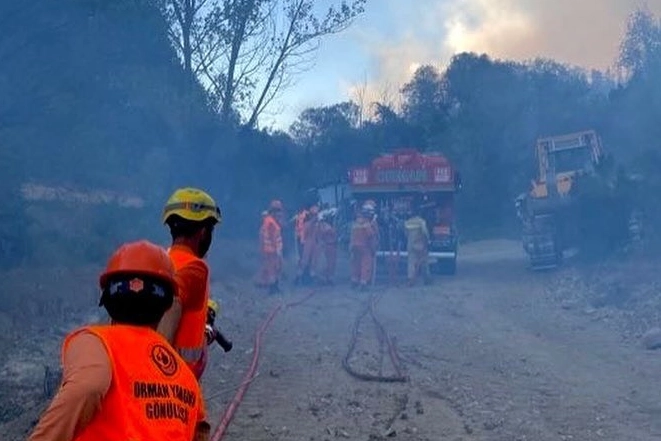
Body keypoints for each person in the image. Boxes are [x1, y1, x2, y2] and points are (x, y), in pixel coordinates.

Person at [28, 241, 209, 441]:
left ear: (107, 299)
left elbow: (87, 388)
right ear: (165, 305)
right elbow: (200, 432)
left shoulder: (96, 342)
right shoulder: (186, 378)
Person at [158, 187, 221, 380]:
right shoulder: (195, 268)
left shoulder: (163, 259)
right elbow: (174, 302)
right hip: (177, 384)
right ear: (203, 232)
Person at [259, 199, 284, 294]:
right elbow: (273, 237)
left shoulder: (270, 220)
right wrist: (278, 251)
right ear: (273, 211)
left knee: (275, 268)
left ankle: (274, 287)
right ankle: (273, 288)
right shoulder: (271, 222)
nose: (280, 213)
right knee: (273, 269)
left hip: (270, 250)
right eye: (278, 211)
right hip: (272, 250)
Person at [349, 208, 378, 291]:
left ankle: (354, 280)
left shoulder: (355, 223)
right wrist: (373, 248)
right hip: (365, 247)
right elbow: (371, 236)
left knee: (356, 264)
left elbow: (351, 236)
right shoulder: (367, 224)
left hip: (354, 246)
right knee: (366, 264)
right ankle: (363, 283)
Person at [404, 209, 431, 286]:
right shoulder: (421, 221)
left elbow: (406, 234)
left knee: (411, 262)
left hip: (410, 245)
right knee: (424, 261)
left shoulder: (407, 222)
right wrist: (427, 241)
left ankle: (410, 279)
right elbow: (425, 232)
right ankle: (426, 278)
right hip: (420, 244)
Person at [295, 204, 319, 285]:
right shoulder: (306, 223)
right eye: (314, 215)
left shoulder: (316, 223)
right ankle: (298, 278)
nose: (316, 216)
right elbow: (304, 232)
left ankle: (311, 278)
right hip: (306, 244)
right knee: (304, 261)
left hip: (314, 244)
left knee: (313, 262)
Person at [316, 208, 338, 285]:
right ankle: (325, 278)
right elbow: (327, 234)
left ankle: (327, 278)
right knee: (327, 263)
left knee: (330, 263)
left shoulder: (324, 225)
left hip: (329, 245)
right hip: (327, 245)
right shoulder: (324, 226)